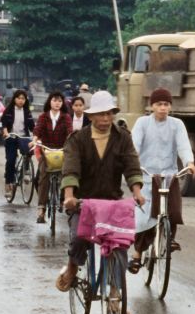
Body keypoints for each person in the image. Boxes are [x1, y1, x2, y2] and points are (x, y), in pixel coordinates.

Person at [55, 91, 145, 297]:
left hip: (111, 202)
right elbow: (70, 170)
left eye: (109, 114)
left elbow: (132, 166)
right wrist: (69, 196)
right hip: (82, 202)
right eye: (100, 114)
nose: (105, 119)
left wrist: (137, 192)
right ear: (91, 116)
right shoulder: (77, 139)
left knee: (119, 244)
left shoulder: (123, 138)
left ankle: (114, 291)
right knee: (79, 237)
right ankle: (72, 266)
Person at [130, 88, 195, 271]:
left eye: (166, 104)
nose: (162, 108)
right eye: (159, 104)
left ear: (170, 106)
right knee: (144, 216)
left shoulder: (177, 124)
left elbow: (183, 145)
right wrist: (132, 162)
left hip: (169, 174)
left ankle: (170, 239)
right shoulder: (143, 123)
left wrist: (189, 163)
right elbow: (134, 145)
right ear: (152, 106)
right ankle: (137, 254)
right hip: (146, 174)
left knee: (172, 208)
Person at [32, 91, 72, 223]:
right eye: (54, 100)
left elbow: (69, 132)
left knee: (66, 175)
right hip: (46, 150)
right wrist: (34, 140)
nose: (57, 103)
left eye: (60, 101)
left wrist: (70, 144)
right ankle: (41, 211)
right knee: (42, 178)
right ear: (50, 101)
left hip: (62, 151)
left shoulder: (66, 117)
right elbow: (37, 130)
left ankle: (62, 201)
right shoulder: (43, 116)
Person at [0, 89, 35, 201]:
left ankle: (26, 169)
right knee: (10, 160)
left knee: (29, 150)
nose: (21, 101)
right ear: (14, 99)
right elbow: (4, 124)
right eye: (19, 98)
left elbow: (32, 126)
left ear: (25, 100)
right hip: (11, 137)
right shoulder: (9, 110)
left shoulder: (27, 111)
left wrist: (35, 136)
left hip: (23, 137)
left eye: (23, 99)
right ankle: (8, 184)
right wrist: (6, 133)